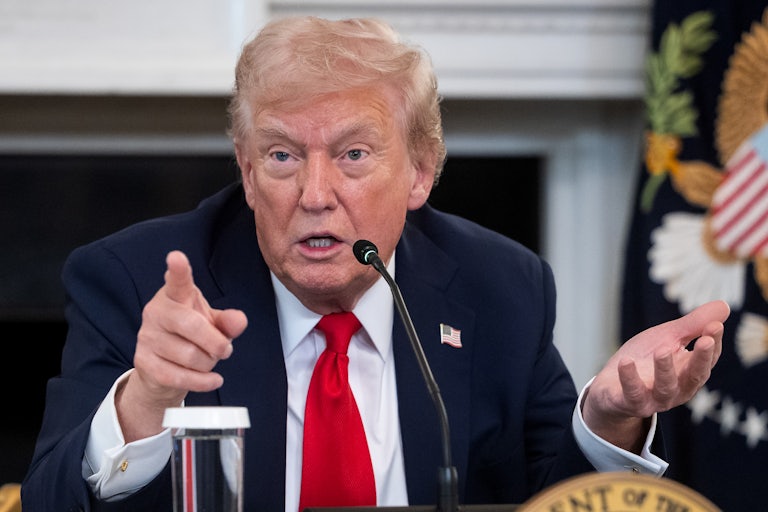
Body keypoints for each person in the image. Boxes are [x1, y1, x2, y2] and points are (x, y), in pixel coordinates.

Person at [21, 15, 730, 512]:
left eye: (355, 155)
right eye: (282, 157)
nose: (316, 194)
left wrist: (606, 422)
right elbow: (49, 500)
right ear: (245, 170)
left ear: (421, 173)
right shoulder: (137, 278)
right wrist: (145, 399)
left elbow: (549, 499)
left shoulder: (499, 288)